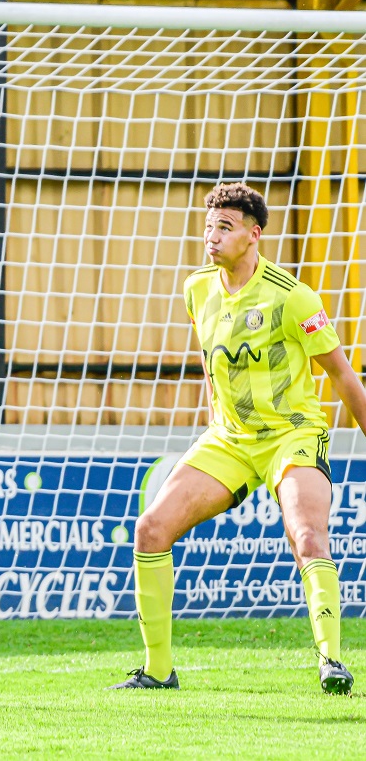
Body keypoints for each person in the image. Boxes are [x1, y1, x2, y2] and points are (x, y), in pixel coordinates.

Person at [112, 182, 362, 694]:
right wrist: (215, 419)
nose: (212, 236)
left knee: (307, 535)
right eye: (208, 226)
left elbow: (341, 375)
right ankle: (159, 673)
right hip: (229, 438)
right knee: (150, 530)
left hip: (291, 435)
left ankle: (331, 662)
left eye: (224, 227)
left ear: (254, 234)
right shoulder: (196, 289)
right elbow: (209, 360)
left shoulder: (293, 297)